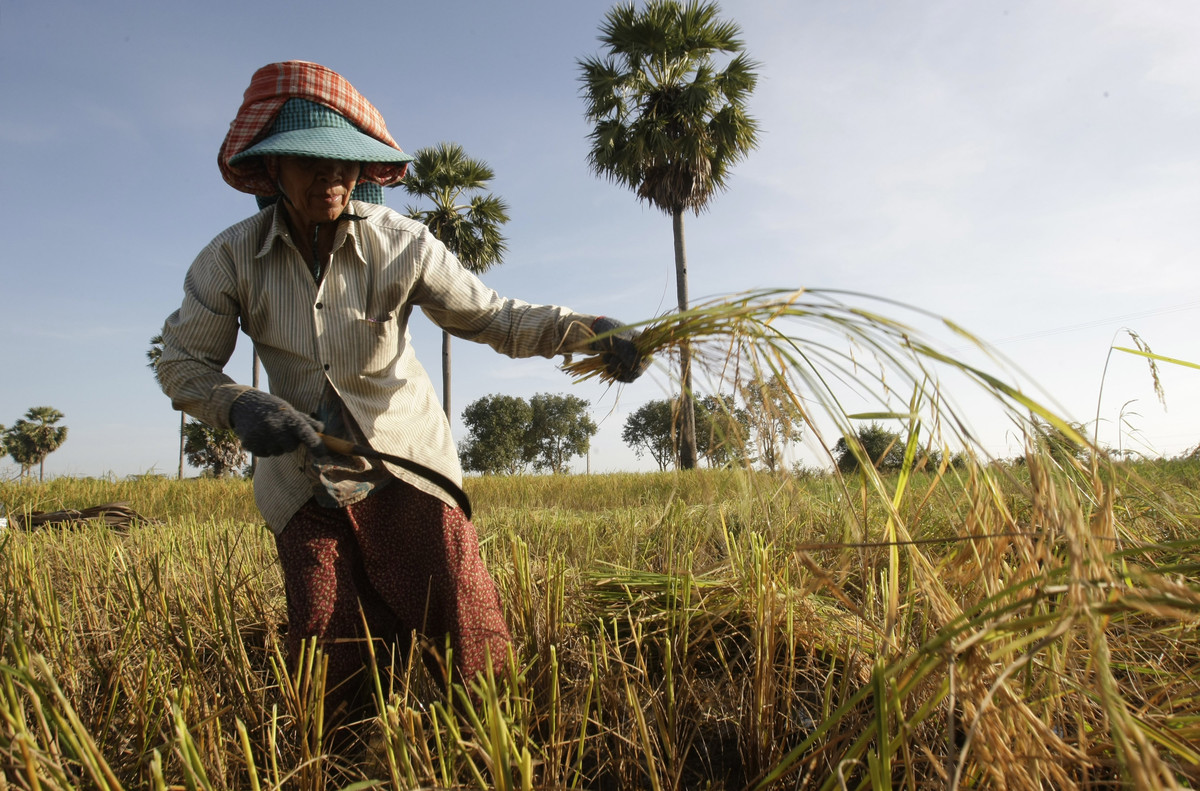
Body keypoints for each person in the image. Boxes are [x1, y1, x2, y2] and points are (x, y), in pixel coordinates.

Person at [156, 61, 648, 728]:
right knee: (329, 659)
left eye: (346, 163)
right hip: (305, 485)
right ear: (272, 170)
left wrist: (586, 331)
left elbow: (495, 316)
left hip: (404, 465)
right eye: (310, 161)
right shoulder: (229, 261)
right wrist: (238, 404)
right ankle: (350, 753)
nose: (332, 176)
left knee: (470, 635)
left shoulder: (403, 244)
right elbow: (183, 361)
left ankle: (497, 748)